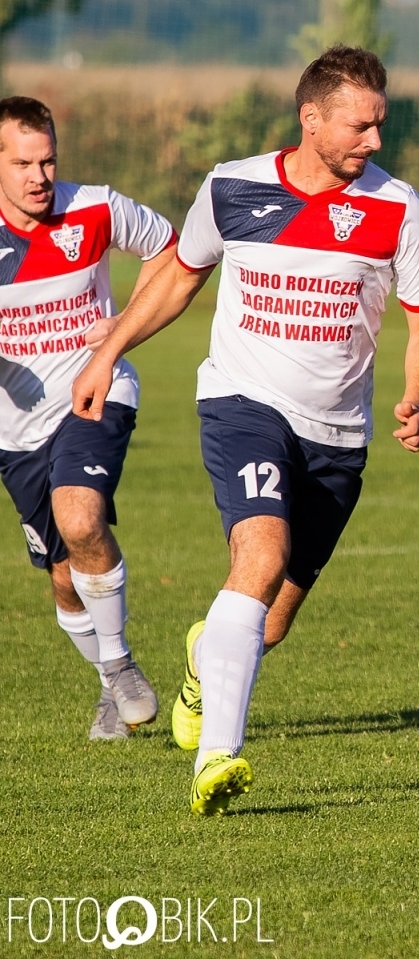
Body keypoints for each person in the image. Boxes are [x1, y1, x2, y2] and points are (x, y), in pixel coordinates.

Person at [72, 46, 419, 815]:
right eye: (360, 125)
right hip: (244, 404)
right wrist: (109, 348)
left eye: (381, 125)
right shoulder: (233, 186)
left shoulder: (400, 210)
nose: (375, 141)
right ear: (311, 119)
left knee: (267, 620)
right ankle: (218, 758)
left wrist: (415, 394)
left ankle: (203, 663)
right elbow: (177, 274)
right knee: (262, 552)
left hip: (338, 438)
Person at [0, 95, 174, 741]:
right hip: (14, 429)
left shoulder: (96, 206)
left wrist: (123, 326)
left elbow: (173, 255)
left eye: (47, 161)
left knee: (81, 516)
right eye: (22, 163)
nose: (39, 177)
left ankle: (121, 664)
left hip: (94, 388)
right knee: (62, 578)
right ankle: (110, 682)